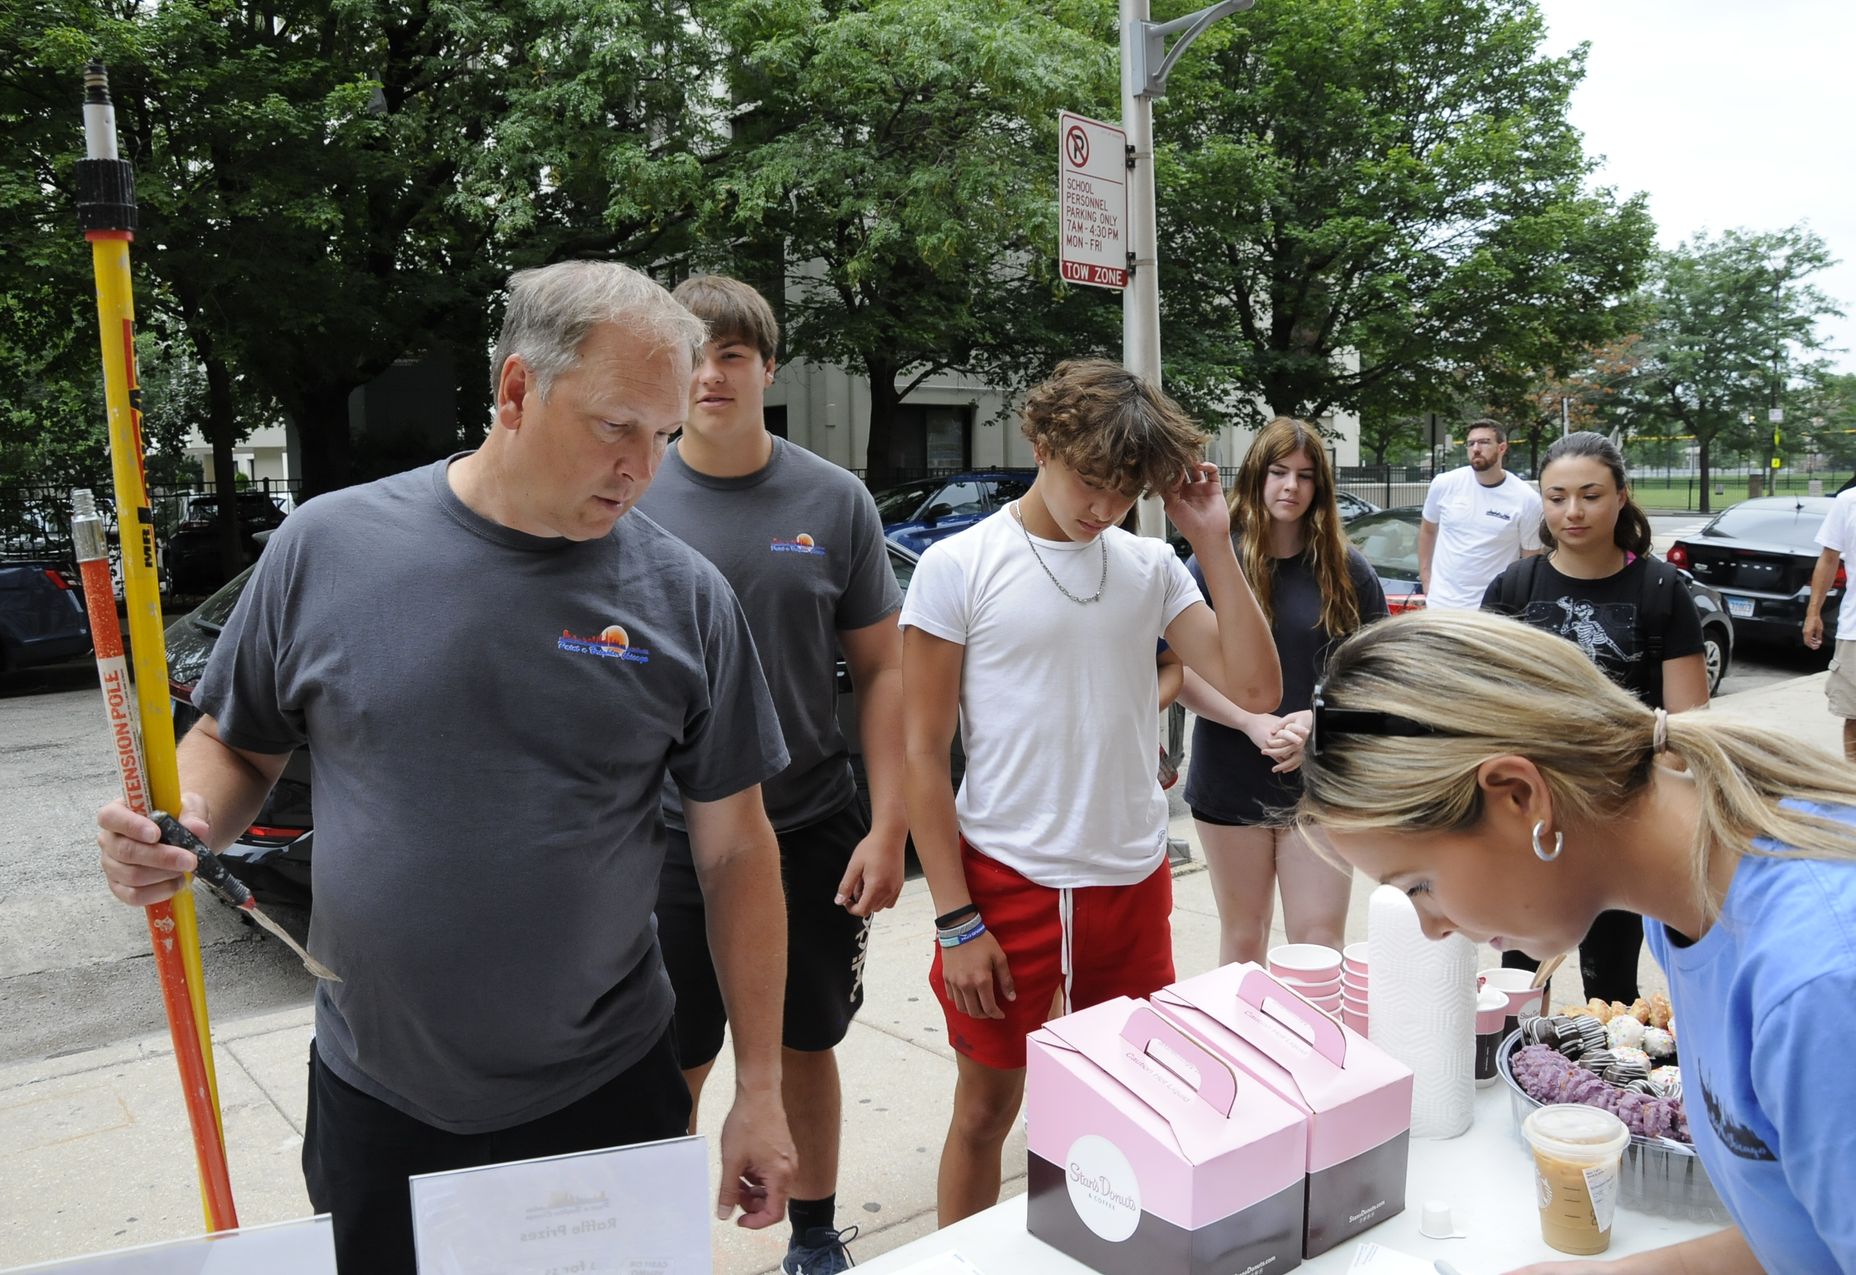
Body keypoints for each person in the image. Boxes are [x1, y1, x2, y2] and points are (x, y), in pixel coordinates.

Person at [93, 262, 799, 1274]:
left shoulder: (686, 600)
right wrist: (187, 821)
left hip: (605, 1090)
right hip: (381, 1095)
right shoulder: (329, 548)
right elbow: (237, 744)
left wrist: (761, 1090)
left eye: (665, 434)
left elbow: (736, 853)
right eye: (614, 426)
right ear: (516, 391)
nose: (643, 467)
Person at [1296, 607, 1856, 1274]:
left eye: (1418, 884)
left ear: (1520, 797)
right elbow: (1801, 1232)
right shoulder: (1688, 904)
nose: (1431, 925)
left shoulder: (1818, 984)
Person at [900, 359, 1279, 1225]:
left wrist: (1211, 538)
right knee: (986, 1112)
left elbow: (1256, 689)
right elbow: (922, 752)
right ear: (1041, 443)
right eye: (1089, 479)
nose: (1103, 505)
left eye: (1124, 489)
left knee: (1128, 1113)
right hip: (1005, 882)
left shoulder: (1149, 564)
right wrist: (956, 918)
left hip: (1129, 879)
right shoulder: (960, 564)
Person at [638, 275, 904, 1275]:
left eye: (733, 354)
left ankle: (815, 1233)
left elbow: (883, 674)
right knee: (675, 1057)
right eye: (694, 354)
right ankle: (658, 1242)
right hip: (669, 833)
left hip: (808, 826)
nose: (712, 373)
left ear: (767, 369)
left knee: (803, 1044)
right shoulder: (634, 489)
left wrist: (889, 827)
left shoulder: (833, 501)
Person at [1483, 431, 1708, 1004]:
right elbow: (1479, 711)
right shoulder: (1513, 589)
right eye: (1556, 497)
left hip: (1622, 824)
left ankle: (1605, 1093)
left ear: (1622, 497)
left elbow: (1689, 727)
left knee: (1610, 990)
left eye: (1591, 495)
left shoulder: (1662, 589)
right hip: (1526, 822)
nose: (1573, 511)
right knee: (1518, 982)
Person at [1177, 418, 1388, 966]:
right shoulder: (1212, 562)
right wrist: (1249, 720)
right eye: (1278, 472)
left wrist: (1319, 721)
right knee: (1244, 938)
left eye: (1305, 475)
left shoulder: (1348, 569)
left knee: (1318, 941)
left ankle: (1315, 1054)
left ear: (1321, 487)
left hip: (1320, 780)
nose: (1290, 486)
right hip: (1229, 773)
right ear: (1256, 476)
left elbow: (1377, 673)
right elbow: (1178, 671)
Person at [1417, 418, 1543, 610]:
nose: (1476, 448)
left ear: (1502, 448)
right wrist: (1426, 579)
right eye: (1471, 443)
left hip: (1490, 612)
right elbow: (1427, 530)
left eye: (1484, 442)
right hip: (1440, 607)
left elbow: (1530, 558)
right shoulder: (1444, 484)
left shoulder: (1527, 499)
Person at [1802, 482, 1856, 762]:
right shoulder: (1848, 501)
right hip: (1855, 633)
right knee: (1854, 715)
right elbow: (1828, 558)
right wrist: (1813, 613)